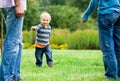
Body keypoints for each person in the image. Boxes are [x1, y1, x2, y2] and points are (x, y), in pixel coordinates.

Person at [81, 0, 120, 79]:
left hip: (106, 14)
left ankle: (111, 76)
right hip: (118, 13)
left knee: (107, 46)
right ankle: (118, 73)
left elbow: (94, 1)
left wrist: (86, 14)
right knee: (118, 46)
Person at [0, 0, 27, 81]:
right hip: (13, 5)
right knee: (13, 41)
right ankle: (6, 77)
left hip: (9, 5)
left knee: (17, 42)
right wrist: (18, 4)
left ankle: (15, 76)